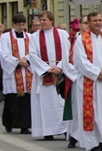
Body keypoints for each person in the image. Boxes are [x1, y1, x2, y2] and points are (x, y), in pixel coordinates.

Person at [72, 12, 102, 151]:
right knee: (91, 113)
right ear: (88, 23)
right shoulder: (81, 39)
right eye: (94, 21)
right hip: (88, 82)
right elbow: (80, 61)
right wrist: (97, 72)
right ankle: (92, 143)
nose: (98, 23)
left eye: (99, 20)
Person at [28, 11, 70, 140]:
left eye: (45, 20)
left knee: (61, 103)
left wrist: (60, 67)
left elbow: (68, 52)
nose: (42, 22)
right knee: (45, 105)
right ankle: (47, 130)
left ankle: (64, 129)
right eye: (40, 20)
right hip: (44, 74)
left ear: (52, 21)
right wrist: (47, 69)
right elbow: (32, 55)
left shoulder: (63, 35)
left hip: (60, 73)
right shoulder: (34, 37)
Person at [0, 14, 32, 133]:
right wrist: (18, 61)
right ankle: (9, 123)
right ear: (13, 24)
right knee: (12, 100)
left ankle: (25, 125)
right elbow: (4, 54)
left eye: (23, 24)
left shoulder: (30, 36)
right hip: (13, 73)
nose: (21, 27)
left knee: (26, 100)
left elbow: (33, 52)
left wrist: (26, 60)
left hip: (27, 71)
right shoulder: (6, 37)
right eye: (19, 24)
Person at [64, 16, 89, 149]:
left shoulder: (96, 39)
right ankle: (74, 136)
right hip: (78, 79)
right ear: (80, 25)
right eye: (85, 23)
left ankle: (92, 137)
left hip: (93, 79)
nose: (87, 26)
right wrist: (77, 75)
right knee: (77, 109)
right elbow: (66, 61)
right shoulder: (72, 40)